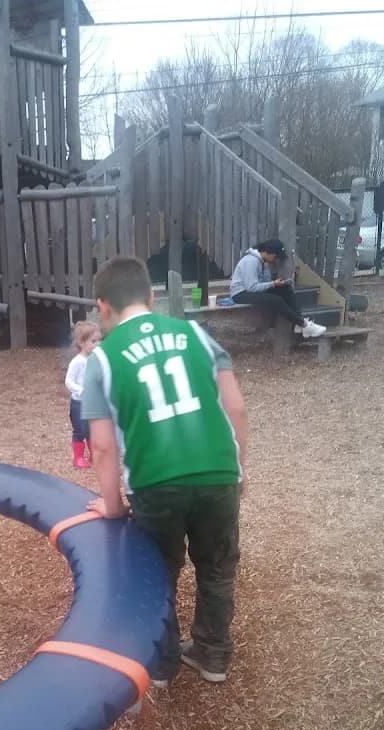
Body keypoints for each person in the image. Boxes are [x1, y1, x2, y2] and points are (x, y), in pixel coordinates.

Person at [81, 255, 247, 687]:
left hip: (155, 484)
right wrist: (238, 473)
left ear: (102, 306)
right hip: (218, 475)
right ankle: (213, 656)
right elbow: (236, 408)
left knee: (158, 573)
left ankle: (162, 661)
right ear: (152, 296)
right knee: (216, 567)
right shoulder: (195, 333)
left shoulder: (101, 359)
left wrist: (113, 506)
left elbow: (101, 446)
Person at [230, 238, 326, 339]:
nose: (276, 260)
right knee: (276, 300)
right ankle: (304, 324)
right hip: (240, 293)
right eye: (275, 257)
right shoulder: (251, 261)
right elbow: (252, 287)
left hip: (251, 290)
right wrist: (273, 284)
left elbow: (263, 283)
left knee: (286, 289)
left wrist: (277, 284)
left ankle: (299, 322)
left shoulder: (263, 262)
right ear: (268, 253)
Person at [65, 321, 101, 469]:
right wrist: (81, 391)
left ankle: (94, 455)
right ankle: (78, 457)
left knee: (92, 429)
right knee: (80, 430)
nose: (97, 344)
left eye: (99, 340)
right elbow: (68, 381)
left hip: (93, 402)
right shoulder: (77, 362)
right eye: (93, 341)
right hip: (79, 403)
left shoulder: (95, 359)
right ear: (81, 342)